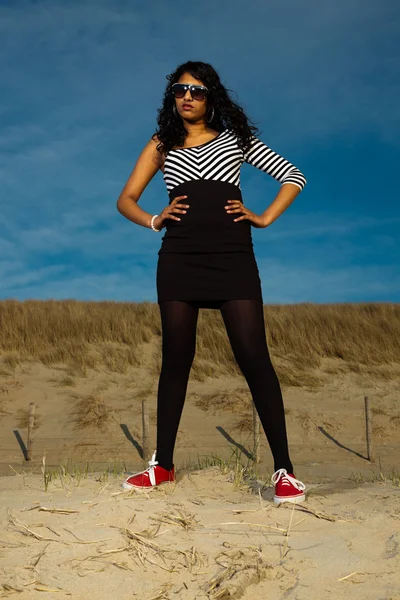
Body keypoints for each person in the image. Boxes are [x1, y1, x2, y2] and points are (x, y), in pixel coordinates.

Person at [116, 61, 307, 505]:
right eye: (180, 89)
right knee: (176, 360)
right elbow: (125, 199)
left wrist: (263, 217)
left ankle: (285, 471)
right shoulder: (163, 144)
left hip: (233, 260)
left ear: (211, 97)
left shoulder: (237, 142)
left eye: (197, 90)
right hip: (179, 260)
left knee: (253, 356)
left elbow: (293, 177)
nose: (187, 96)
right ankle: (162, 465)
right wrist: (153, 219)